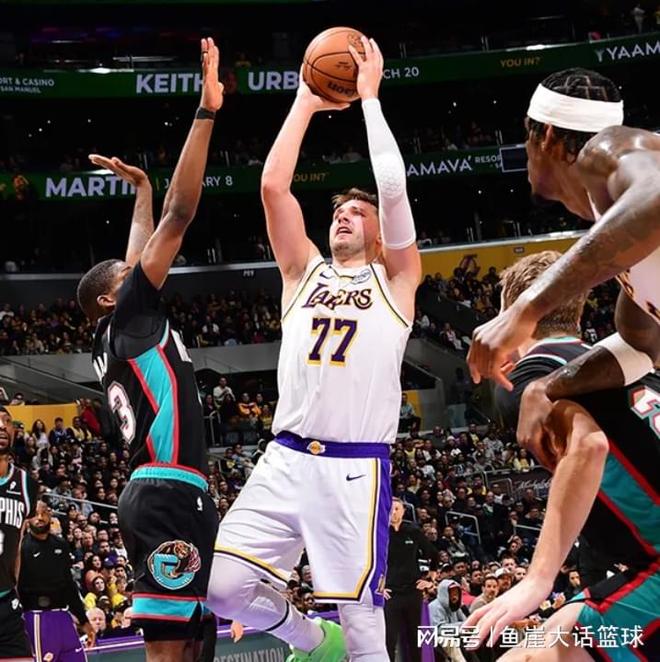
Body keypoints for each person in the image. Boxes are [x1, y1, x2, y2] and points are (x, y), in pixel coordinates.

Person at [207, 36, 421, 661]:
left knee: (363, 623)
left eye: (358, 212)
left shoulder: (397, 281)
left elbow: (392, 188)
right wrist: (304, 100)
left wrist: (370, 99)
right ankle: (306, 637)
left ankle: (341, 641)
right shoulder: (303, 273)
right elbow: (274, 188)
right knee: (221, 588)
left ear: (380, 235)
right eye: (339, 211)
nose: (345, 216)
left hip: (354, 467)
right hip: (284, 457)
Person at [75, 37, 223, 662]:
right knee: (169, 654)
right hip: (165, 492)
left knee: (193, 643)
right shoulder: (130, 315)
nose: (136, 270)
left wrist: (140, 190)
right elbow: (180, 214)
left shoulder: (115, 331)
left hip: (167, 489)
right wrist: (206, 111)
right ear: (115, 297)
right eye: (127, 275)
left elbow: (137, 251)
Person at [466, 251, 660, 658]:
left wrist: (537, 580)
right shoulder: (628, 364)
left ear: (511, 313)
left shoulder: (528, 377)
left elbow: (588, 445)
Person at [467, 68, 660, 461]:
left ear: (548, 136)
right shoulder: (626, 242)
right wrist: (549, 386)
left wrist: (524, 308)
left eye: (526, 137)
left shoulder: (606, 148)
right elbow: (642, 347)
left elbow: (656, 194)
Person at [19, 500, 96, 660]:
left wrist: (83, 620)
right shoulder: (22, 547)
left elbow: (69, 584)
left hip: (63, 615)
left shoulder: (60, 544)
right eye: (35, 514)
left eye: (43, 513)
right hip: (37, 616)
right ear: (28, 518)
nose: (39, 518)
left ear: (50, 515)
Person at [0, 405, 39, 661]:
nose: (2, 426)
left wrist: (14, 586)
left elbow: (18, 543)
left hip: (6, 601)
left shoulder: (26, 484)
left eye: (7, 421)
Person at [384, 498, 439, 662]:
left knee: (415, 638)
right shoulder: (380, 533)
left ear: (403, 511)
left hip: (412, 591)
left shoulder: (412, 531)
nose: (394, 512)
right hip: (391, 593)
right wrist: (378, 586)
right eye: (391, 509)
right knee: (389, 639)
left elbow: (433, 554)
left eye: (397, 509)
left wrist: (430, 580)